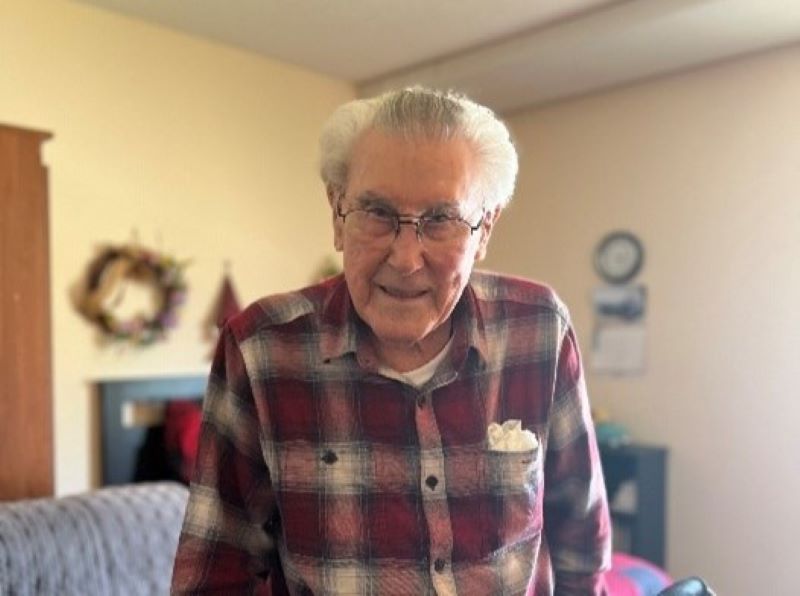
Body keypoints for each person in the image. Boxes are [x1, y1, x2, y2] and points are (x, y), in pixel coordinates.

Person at [171, 87, 611, 594]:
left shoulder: (539, 330)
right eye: (377, 213)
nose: (405, 259)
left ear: (484, 230)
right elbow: (216, 572)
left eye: (441, 219)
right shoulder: (261, 350)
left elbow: (582, 541)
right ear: (338, 214)